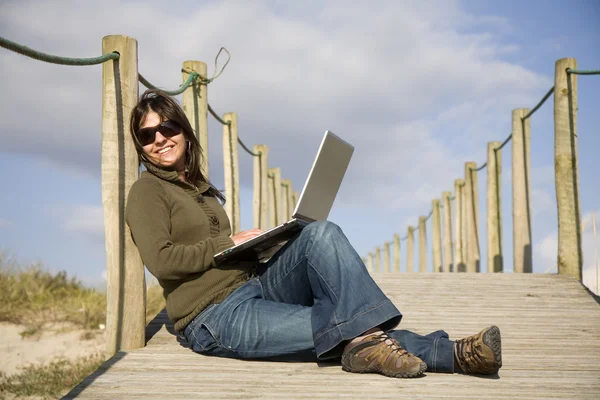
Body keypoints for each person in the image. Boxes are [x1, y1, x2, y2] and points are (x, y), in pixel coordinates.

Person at [125, 89, 502, 379]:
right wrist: (228, 243)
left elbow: (221, 255)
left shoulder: (200, 188)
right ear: (141, 147)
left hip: (254, 286)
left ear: (183, 131)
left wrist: (266, 244)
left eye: (167, 127)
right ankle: (454, 354)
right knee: (342, 326)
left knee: (320, 232)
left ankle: (397, 344)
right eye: (147, 135)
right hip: (213, 317)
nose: (159, 138)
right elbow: (161, 261)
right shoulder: (147, 191)